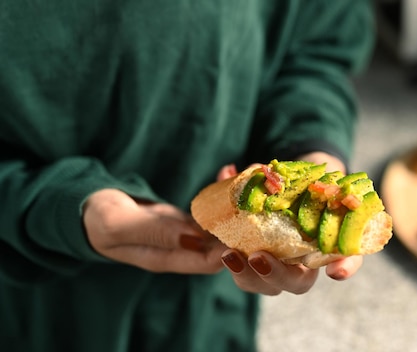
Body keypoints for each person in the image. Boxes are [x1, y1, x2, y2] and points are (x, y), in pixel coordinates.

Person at [0, 1, 374, 351]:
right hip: (30, 302)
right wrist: (57, 207)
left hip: (211, 305)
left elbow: (313, 47)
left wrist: (309, 150)